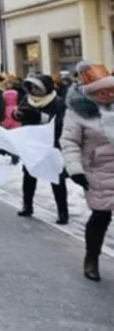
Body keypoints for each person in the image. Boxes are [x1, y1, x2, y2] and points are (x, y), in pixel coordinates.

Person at [60, 62, 114, 281]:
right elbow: (70, 142)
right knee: (101, 215)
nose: (108, 94)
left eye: (111, 90)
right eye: (102, 91)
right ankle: (91, 258)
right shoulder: (78, 113)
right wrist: (76, 170)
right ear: (92, 92)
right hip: (97, 170)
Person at [15, 74, 69, 224]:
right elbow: (19, 113)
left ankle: (63, 212)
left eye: (37, 87)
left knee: (56, 178)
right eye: (32, 87)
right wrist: (17, 115)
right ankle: (27, 205)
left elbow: (61, 121)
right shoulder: (27, 100)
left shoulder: (57, 102)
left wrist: (41, 117)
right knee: (29, 175)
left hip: (51, 144)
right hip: (31, 143)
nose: (34, 90)